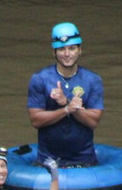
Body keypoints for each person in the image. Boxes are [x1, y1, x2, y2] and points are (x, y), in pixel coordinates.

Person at [27, 23, 103, 167]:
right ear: (54, 52)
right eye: (61, 49)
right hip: (47, 160)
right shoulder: (39, 79)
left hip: (84, 159)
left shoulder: (93, 80)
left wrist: (67, 103)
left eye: (72, 48)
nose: (67, 54)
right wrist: (66, 109)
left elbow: (93, 122)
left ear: (80, 50)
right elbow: (36, 121)